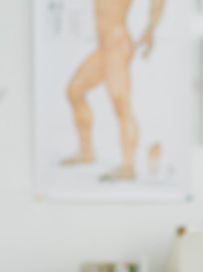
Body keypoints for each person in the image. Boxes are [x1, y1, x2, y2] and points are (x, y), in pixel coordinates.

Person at [59, 0, 164, 181]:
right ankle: (86, 151)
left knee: (121, 104)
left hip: (116, 44)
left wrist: (150, 29)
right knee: (75, 91)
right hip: (105, 47)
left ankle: (128, 166)